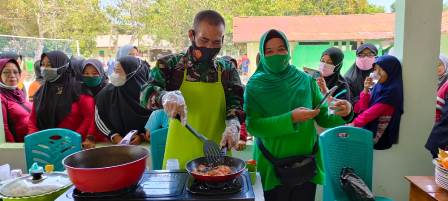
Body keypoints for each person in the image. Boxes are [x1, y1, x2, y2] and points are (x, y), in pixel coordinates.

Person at [245, 29, 353, 201]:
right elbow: (254, 126)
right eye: (269, 51)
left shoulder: (305, 79)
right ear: (263, 55)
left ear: (288, 50)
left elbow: (322, 115)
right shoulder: (255, 86)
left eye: (281, 49)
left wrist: (344, 112)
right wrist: (291, 118)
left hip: (306, 166)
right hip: (272, 167)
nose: (276, 55)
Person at [140, 10, 244, 169]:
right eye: (204, 40)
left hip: (217, 153)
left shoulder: (227, 70)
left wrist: (234, 125)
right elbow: (145, 93)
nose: (209, 47)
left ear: (223, 39)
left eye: (216, 42)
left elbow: (235, 103)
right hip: (178, 155)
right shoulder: (171, 65)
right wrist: (164, 97)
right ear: (192, 35)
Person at [28, 51, 95, 147]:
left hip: (73, 146)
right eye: (42, 65)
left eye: (50, 65)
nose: (45, 68)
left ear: (63, 66)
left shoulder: (79, 90)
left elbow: (89, 117)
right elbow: (32, 119)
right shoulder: (41, 91)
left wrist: (71, 140)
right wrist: (35, 138)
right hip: (45, 146)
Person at [351, 55, 403, 150]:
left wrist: (353, 124)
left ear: (391, 71)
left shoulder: (392, 91)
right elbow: (363, 108)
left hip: (379, 136)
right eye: (375, 69)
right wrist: (366, 89)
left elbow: (371, 113)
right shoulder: (379, 85)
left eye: (381, 70)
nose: (377, 73)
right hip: (369, 128)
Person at [95, 56, 150, 145]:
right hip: (117, 145)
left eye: (118, 71)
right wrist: (115, 136)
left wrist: (142, 135)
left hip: (146, 146)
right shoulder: (106, 94)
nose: (114, 75)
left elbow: (156, 118)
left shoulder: (150, 95)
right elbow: (100, 118)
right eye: (114, 70)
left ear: (132, 75)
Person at [79, 59, 109, 148]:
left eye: (95, 73)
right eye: (86, 74)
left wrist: (90, 137)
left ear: (101, 73)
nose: (90, 76)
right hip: (83, 138)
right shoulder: (79, 90)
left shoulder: (107, 91)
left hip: (104, 137)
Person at [0, 58, 31, 142]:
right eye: (6, 72)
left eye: (15, 72)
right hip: (20, 146)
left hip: (32, 141)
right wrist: (13, 149)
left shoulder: (19, 91)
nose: (12, 75)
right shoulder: (1, 98)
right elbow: (4, 129)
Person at [435, 55, 448, 122]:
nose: (438, 68)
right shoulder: (433, 79)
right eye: (436, 65)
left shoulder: (446, 81)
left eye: (440, 64)